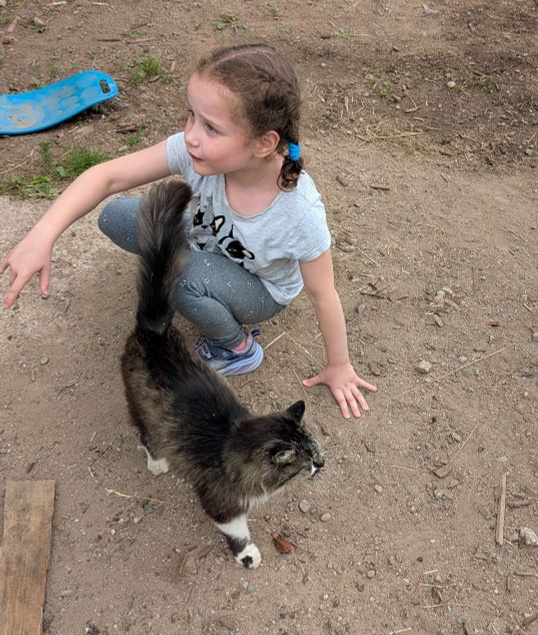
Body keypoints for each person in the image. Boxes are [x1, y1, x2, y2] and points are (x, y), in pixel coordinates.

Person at [1, 44, 376, 419]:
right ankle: (196, 278)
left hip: (260, 290)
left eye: (211, 127)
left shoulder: (298, 214)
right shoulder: (197, 151)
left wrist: (339, 366)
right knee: (117, 215)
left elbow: (323, 293)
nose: (192, 135)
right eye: (191, 115)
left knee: (178, 274)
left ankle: (237, 348)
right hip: (209, 241)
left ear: (264, 143)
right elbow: (108, 176)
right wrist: (43, 234)